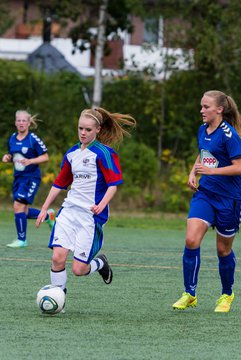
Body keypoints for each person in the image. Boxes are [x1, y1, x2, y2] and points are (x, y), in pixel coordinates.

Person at [35, 107, 136, 306]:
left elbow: (113, 184)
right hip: (69, 211)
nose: (83, 133)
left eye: (88, 129)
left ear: (97, 129)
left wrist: (101, 205)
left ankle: (100, 263)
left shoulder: (105, 153)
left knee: (79, 270)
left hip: (90, 217)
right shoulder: (72, 153)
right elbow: (59, 183)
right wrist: (45, 207)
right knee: (58, 257)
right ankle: (59, 302)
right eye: (80, 128)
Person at [172, 90, 241, 313]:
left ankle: (226, 294)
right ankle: (189, 294)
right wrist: (193, 172)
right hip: (205, 194)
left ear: (219, 109)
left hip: (229, 200)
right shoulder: (203, 130)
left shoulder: (229, 135)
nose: (201, 110)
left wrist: (213, 171)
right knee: (191, 240)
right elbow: (203, 153)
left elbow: (239, 166)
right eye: (201, 106)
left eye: (206, 107)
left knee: (223, 250)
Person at [2, 110, 55, 248]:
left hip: (31, 178)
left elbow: (45, 157)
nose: (21, 123)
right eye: (18, 120)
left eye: (24, 120)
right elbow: (12, 156)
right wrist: (7, 158)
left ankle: (22, 240)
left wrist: (31, 161)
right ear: (15, 122)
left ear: (29, 123)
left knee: (18, 205)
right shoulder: (12, 138)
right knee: (22, 211)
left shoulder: (33, 139)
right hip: (18, 178)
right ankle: (48, 216)